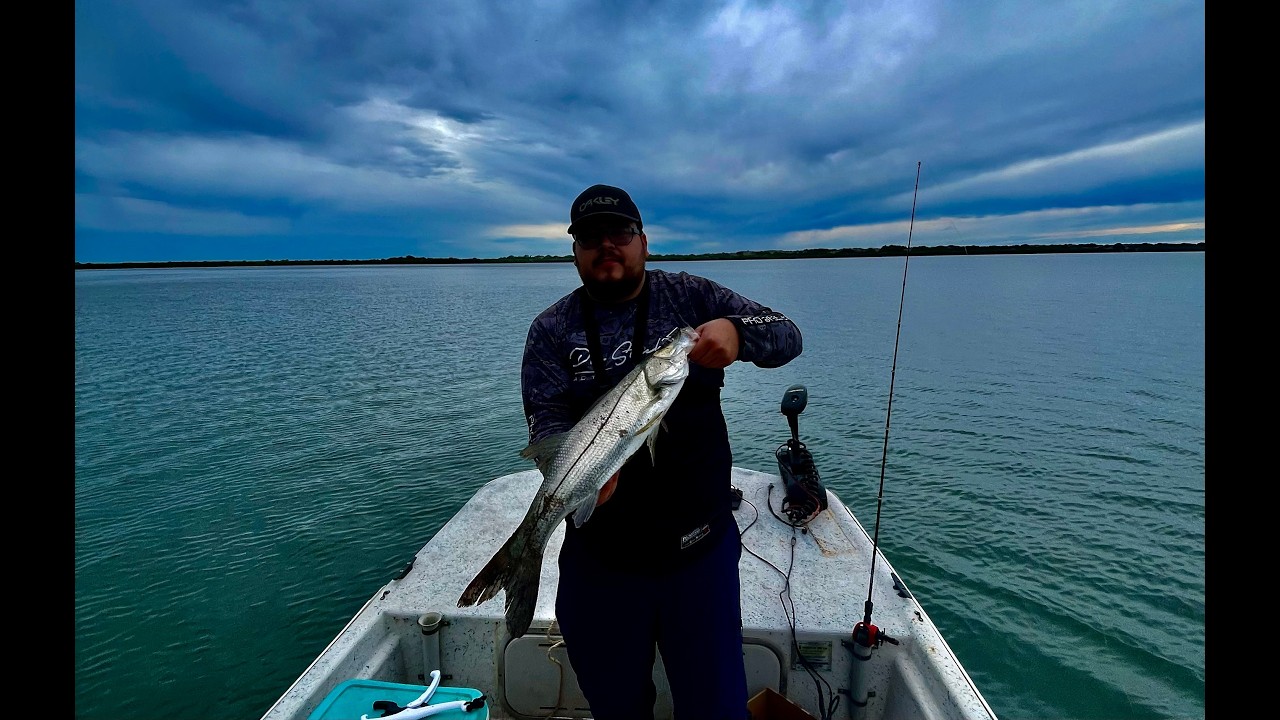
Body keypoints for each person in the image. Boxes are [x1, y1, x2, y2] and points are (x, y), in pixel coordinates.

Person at [520, 183, 803, 719]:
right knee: (617, 709)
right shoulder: (551, 331)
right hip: (600, 561)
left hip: (698, 556)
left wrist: (739, 335)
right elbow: (548, 426)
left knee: (716, 709)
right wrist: (578, 478)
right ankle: (523, 556)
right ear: (574, 249)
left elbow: (788, 334)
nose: (607, 245)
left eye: (620, 233)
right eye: (590, 236)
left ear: (643, 242)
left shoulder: (689, 297)